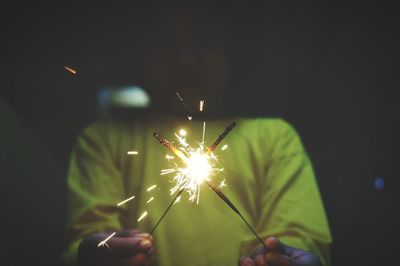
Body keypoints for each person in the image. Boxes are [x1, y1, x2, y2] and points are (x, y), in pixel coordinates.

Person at [63, 2, 332, 265]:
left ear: (233, 50)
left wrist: (290, 258)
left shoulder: (274, 138)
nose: (186, 59)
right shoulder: (103, 141)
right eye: (165, 41)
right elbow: (86, 243)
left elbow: (301, 243)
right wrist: (93, 255)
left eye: (206, 41)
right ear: (139, 52)